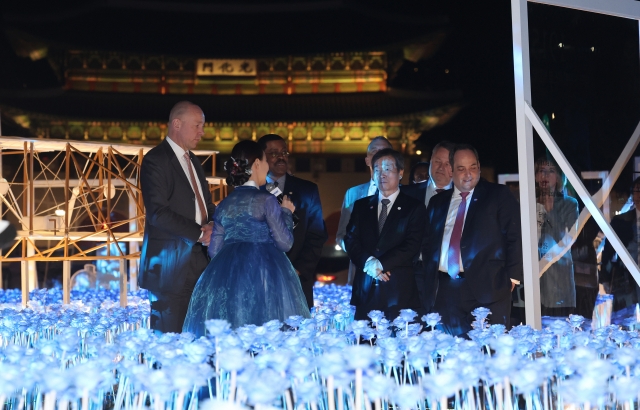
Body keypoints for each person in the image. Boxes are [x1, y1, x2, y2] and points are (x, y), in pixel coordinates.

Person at [183, 140, 310, 334]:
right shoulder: (266, 200)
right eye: (266, 161)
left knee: (236, 326)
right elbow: (285, 243)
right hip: (266, 273)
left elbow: (214, 251)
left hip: (228, 275)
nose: (268, 167)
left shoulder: (224, 204)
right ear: (257, 164)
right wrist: (285, 212)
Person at [421, 144, 522, 336]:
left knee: (488, 354)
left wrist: (512, 278)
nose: (468, 174)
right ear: (451, 170)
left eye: (473, 167)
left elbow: (515, 237)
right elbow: (427, 245)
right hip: (445, 291)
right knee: (449, 355)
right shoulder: (438, 203)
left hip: (489, 289)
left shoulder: (497, 195)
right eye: (461, 168)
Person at [139, 101, 216, 333]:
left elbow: (206, 204)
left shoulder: (194, 161)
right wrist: (200, 233)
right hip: (170, 263)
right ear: (177, 124)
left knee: (198, 332)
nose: (202, 132)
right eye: (198, 126)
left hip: (200, 258)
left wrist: (213, 224)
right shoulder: (156, 160)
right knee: (169, 335)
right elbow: (158, 213)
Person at [345, 148, 426, 320]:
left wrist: (382, 264)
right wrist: (370, 263)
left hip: (399, 292)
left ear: (401, 172)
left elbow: (412, 244)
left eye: (388, 169)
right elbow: (351, 240)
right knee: (365, 344)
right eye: (377, 170)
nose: (382, 175)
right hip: (366, 289)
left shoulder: (414, 207)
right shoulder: (361, 206)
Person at [257, 134, 328, 308]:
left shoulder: (307, 190)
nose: (281, 157)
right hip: (259, 278)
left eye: (284, 152)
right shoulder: (252, 190)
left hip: (296, 278)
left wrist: (298, 269)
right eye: (274, 153)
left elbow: (316, 234)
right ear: (261, 157)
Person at [401, 141, 454, 314]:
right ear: (430, 160)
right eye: (438, 161)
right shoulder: (407, 194)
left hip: (448, 276)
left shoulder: (463, 197)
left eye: (448, 164)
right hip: (413, 274)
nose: (441, 168)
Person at [336, 136, 393, 284]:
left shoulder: (405, 194)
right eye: (374, 151)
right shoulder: (353, 194)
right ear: (367, 160)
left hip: (393, 273)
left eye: (384, 151)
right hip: (360, 272)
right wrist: (364, 258)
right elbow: (342, 235)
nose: (379, 155)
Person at [535, 156, 578, 317]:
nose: (545, 175)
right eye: (541, 171)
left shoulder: (570, 204)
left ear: (559, 177)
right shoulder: (526, 203)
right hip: (533, 282)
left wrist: (551, 211)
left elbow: (568, 239)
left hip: (558, 281)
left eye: (551, 171)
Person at [600, 177, 640, 310]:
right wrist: (605, 278)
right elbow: (607, 252)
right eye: (636, 191)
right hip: (627, 281)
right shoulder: (620, 221)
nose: (638, 195)